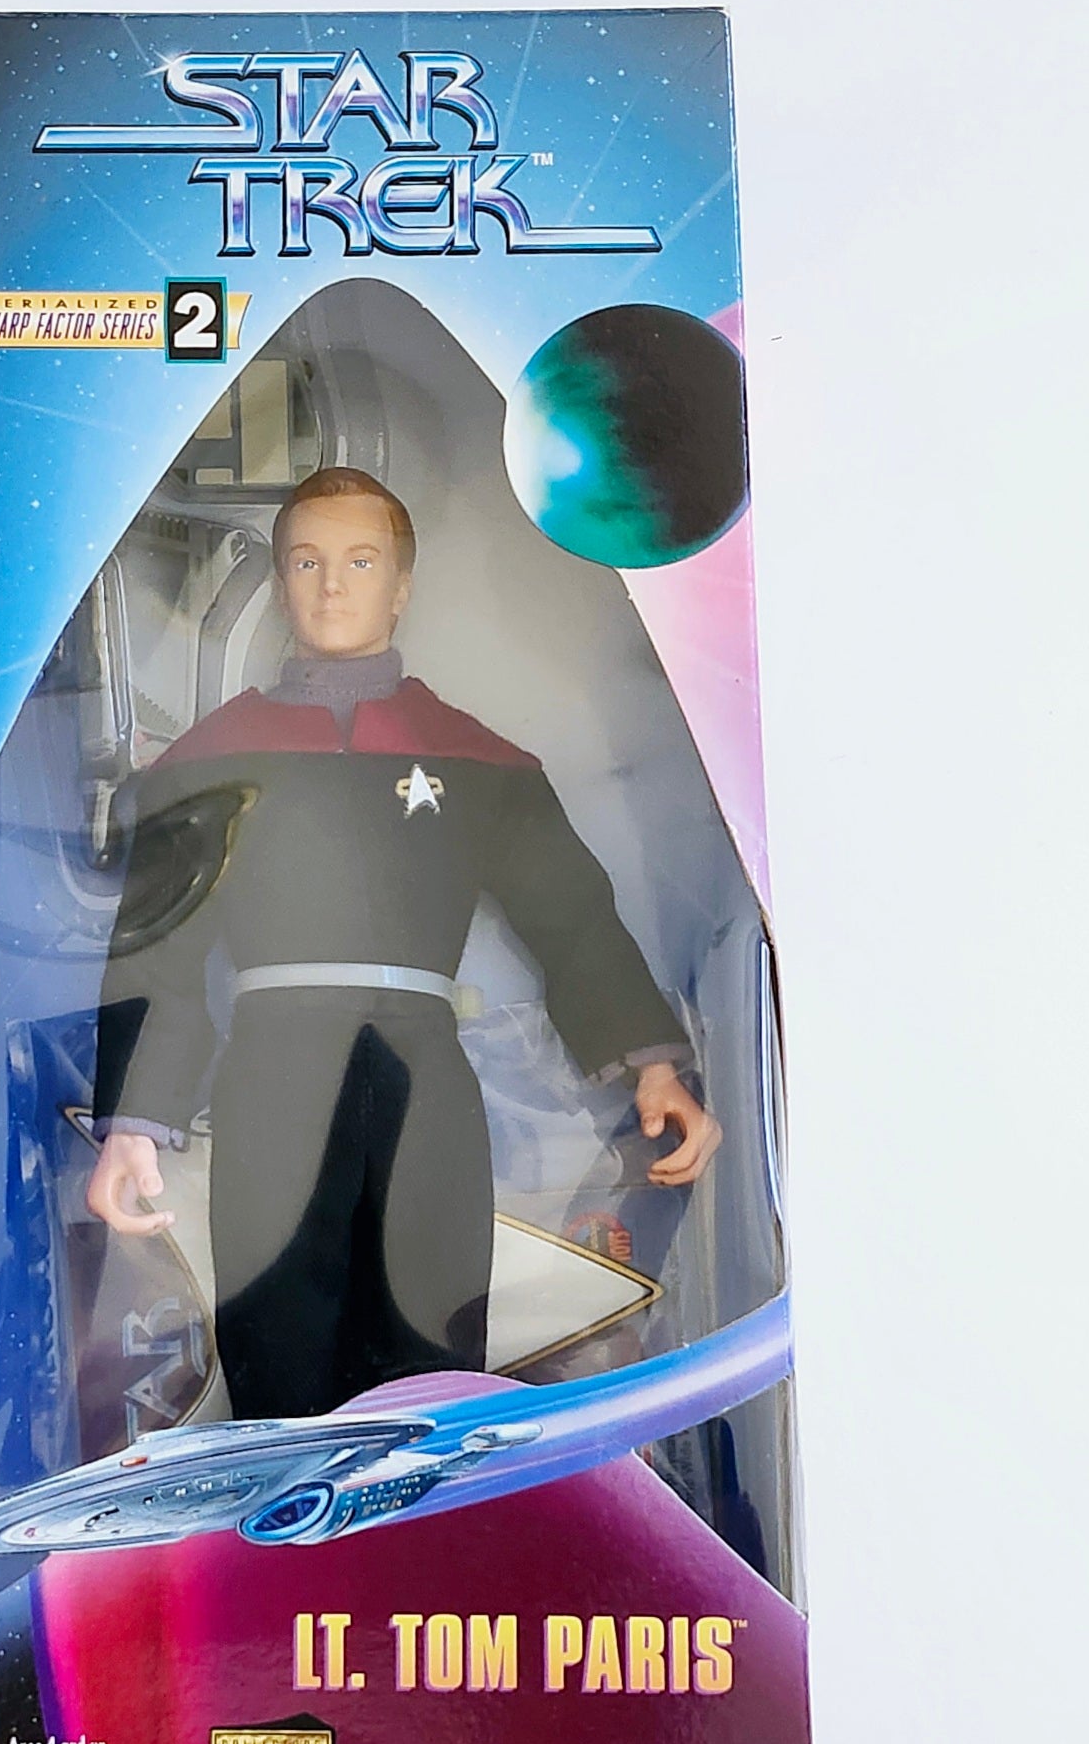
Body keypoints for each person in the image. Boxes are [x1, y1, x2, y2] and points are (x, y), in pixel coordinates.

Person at [86, 467, 720, 1418]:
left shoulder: (479, 762)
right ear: (282, 582)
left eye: (360, 560)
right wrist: (134, 1122)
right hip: (274, 1079)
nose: (331, 585)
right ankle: (293, 1509)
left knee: (435, 1357)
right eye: (307, 561)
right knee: (275, 1348)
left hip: (426, 1082)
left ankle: (425, 1512)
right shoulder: (209, 764)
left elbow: (572, 918)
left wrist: (653, 1066)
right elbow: (159, 946)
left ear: (401, 586)